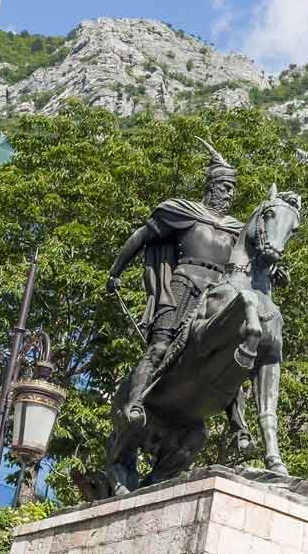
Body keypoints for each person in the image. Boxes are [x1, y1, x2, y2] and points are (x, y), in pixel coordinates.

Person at [107, 138, 241, 425]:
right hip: (182, 288)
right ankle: (134, 404)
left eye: (233, 189)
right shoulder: (185, 213)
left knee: (235, 351)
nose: (230, 194)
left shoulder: (236, 230)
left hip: (217, 297)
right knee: (159, 348)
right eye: (226, 187)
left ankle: (238, 423)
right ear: (212, 186)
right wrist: (115, 271)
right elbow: (141, 236)